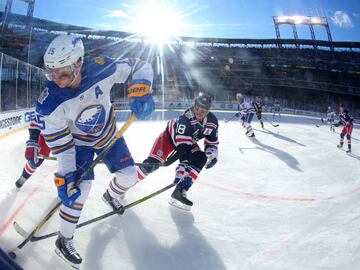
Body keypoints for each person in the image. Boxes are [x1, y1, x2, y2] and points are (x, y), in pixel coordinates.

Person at [36, 35, 155, 268]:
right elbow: (62, 145)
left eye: (64, 74)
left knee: (130, 176)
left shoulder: (103, 68)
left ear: (78, 63)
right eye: (52, 74)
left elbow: (140, 65)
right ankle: (64, 239)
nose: (58, 81)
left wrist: (141, 91)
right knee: (78, 190)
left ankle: (111, 195)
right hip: (77, 144)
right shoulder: (49, 103)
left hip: (108, 135)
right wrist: (67, 176)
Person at [137, 93, 219, 210]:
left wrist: (213, 153)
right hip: (169, 138)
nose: (199, 112)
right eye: (197, 108)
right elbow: (183, 147)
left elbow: (212, 141)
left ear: (208, 111)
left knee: (201, 158)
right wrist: (183, 166)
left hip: (188, 141)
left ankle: (180, 191)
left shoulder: (213, 122)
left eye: (203, 110)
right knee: (151, 165)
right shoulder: (187, 116)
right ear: (194, 106)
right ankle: (125, 183)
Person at [15, 121, 51, 188]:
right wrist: (34, 139)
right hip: (46, 136)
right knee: (34, 161)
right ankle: (24, 176)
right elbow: (39, 119)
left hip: (68, 138)